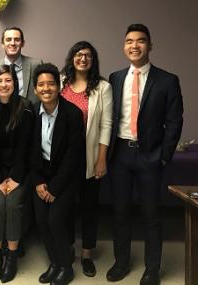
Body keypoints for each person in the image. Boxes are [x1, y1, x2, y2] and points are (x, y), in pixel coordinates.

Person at [106, 24, 183, 285]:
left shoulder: (167, 80)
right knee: (120, 213)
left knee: (151, 215)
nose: (134, 45)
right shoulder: (115, 78)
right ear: (124, 46)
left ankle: (152, 268)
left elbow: (174, 120)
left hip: (150, 156)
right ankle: (121, 262)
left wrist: (164, 155)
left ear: (150, 45)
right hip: (120, 156)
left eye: (140, 41)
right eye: (129, 41)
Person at [30, 63, 85, 285]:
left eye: (51, 84)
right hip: (41, 175)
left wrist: (54, 188)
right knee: (41, 220)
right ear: (35, 89)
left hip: (66, 177)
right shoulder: (31, 112)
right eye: (41, 84)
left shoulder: (72, 113)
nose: (46, 88)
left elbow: (73, 156)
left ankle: (66, 267)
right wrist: (38, 181)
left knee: (55, 220)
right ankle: (54, 263)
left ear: (59, 86)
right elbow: (29, 151)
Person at [61, 41, 112, 277]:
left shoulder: (103, 87)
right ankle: (68, 248)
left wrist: (101, 158)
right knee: (66, 206)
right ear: (72, 57)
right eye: (79, 55)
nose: (83, 59)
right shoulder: (61, 82)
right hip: (63, 157)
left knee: (89, 207)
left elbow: (105, 125)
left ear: (93, 60)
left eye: (88, 56)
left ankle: (87, 253)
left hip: (90, 156)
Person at [0, 64, 33, 283]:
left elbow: (25, 147)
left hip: (19, 170)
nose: (4, 84)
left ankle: (12, 256)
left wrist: (16, 178)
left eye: (8, 80)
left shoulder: (26, 108)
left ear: (15, 83)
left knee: (12, 205)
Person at [0, 26, 41, 103]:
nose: (12, 43)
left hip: (30, 113)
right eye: (8, 40)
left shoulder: (36, 64)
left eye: (17, 40)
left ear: (22, 43)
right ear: (3, 44)